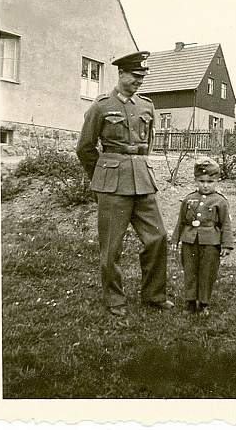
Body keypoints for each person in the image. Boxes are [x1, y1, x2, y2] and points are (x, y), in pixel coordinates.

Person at [76, 50, 174, 316]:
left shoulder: (146, 106)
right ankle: (114, 299)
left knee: (158, 237)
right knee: (111, 245)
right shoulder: (101, 106)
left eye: (142, 77)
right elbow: (85, 148)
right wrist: (102, 176)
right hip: (111, 183)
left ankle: (153, 295)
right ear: (121, 74)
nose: (139, 81)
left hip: (142, 180)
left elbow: (148, 143)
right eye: (135, 76)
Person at [171, 157, 233, 315]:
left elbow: (225, 224)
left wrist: (226, 245)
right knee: (190, 271)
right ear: (196, 180)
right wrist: (175, 240)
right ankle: (190, 302)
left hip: (211, 242)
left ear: (216, 181)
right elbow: (181, 221)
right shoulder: (188, 199)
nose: (205, 185)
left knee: (207, 272)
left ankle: (204, 303)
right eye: (202, 181)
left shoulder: (220, 201)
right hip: (189, 240)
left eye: (210, 182)